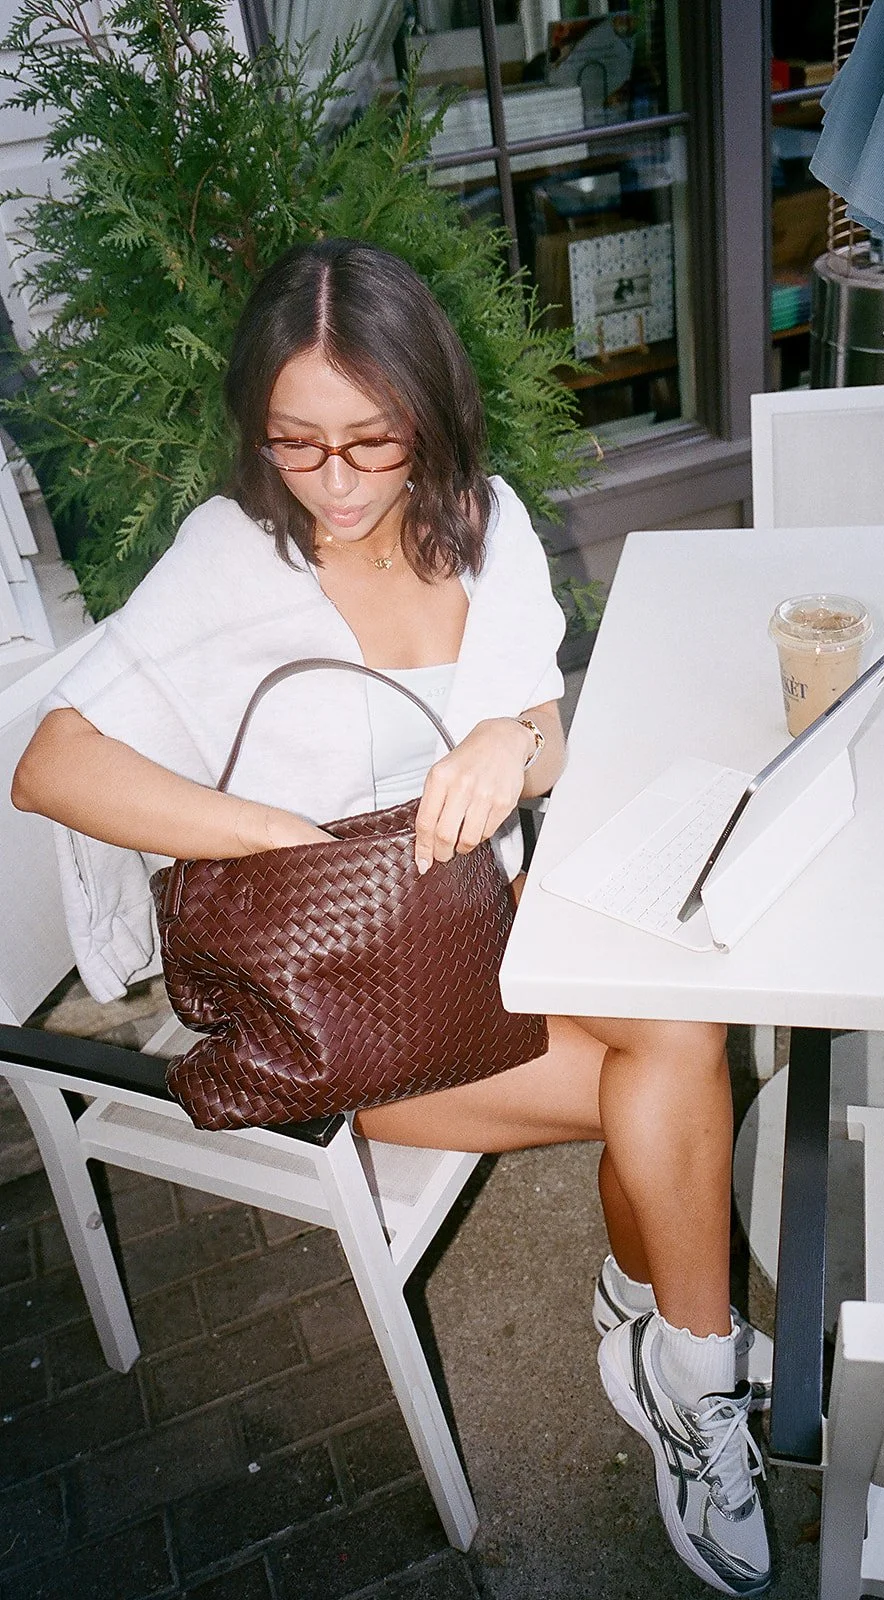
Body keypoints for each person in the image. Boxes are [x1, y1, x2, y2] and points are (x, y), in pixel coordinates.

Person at [12, 238, 771, 1596]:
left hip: (489, 909)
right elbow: (50, 764)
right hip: (355, 997)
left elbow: (541, 724)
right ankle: (683, 1361)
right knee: (656, 1085)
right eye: (299, 445)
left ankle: (678, 1343)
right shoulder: (228, 560)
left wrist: (504, 747)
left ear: (429, 411)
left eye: (374, 440)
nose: (342, 484)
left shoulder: (480, 517)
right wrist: (279, 838)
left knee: (684, 1019)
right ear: (258, 430)